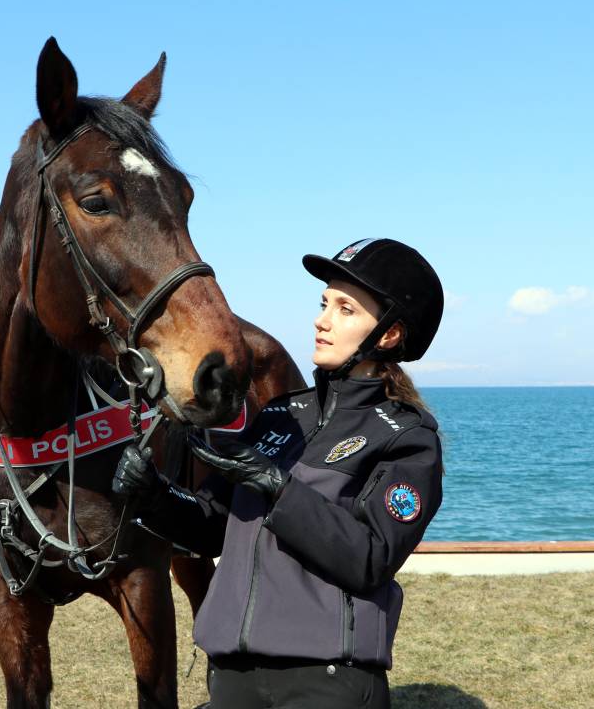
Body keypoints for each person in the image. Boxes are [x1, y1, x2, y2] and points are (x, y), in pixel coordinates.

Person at [113, 238, 445, 709]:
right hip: (232, 678)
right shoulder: (281, 415)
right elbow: (211, 528)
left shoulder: (406, 438)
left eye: (345, 309)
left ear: (389, 336)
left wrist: (276, 485)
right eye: (324, 303)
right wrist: (154, 497)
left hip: (326, 684)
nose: (322, 320)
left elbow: (370, 558)